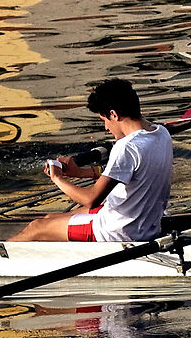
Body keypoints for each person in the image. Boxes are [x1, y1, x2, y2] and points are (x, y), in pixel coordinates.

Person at [10, 78, 174, 243]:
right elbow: (127, 172)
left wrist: (57, 179)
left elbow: (91, 199)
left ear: (114, 114)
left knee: (36, 227)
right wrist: (80, 173)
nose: (106, 128)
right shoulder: (161, 133)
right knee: (49, 217)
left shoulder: (126, 147)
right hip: (146, 226)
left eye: (104, 120)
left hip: (116, 233)